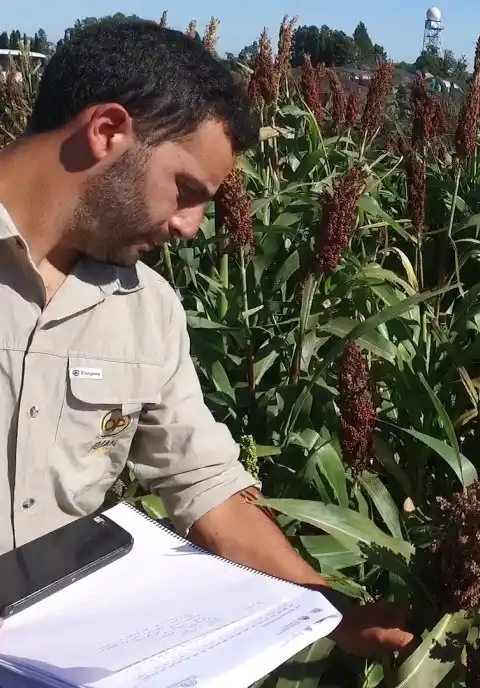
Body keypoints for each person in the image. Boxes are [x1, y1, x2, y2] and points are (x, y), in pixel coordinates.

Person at [0, 18, 413, 657]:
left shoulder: (149, 310)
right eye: (186, 191)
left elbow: (207, 489)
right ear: (107, 133)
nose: (191, 227)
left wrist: (330, 614)